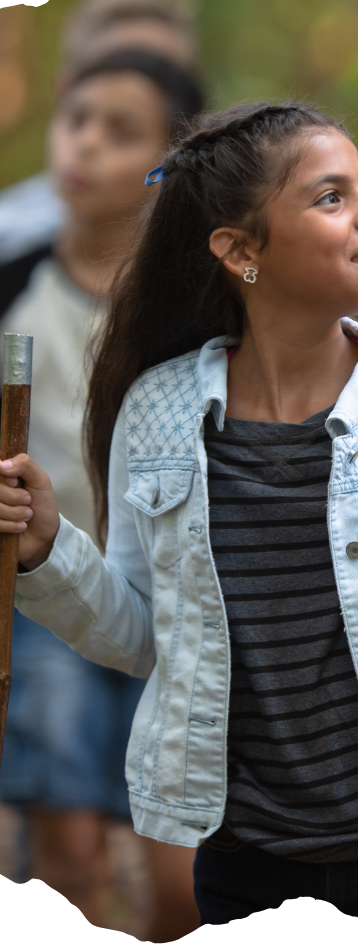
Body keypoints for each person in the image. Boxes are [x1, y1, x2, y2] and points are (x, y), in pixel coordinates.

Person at [0, 102, 358, 944]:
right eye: (332, 198)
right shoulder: (159, 414)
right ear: (240, 251)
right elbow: (142, 634)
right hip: (254, 864)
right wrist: (48, 553)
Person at [0, 48, 204, 939]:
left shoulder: (200, 306)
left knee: (181, 875)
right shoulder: (13, 285)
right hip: (42, 602)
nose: (83, 144)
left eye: (120, 132)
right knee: (68, 855)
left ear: (171, 166)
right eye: (76, 118)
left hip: (181, 602)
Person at [0, 0, 198, 265]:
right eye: (116, 64)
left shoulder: (215, 263)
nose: (135, 83)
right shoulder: (11, 243)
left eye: (161, 74)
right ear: (66, 90)